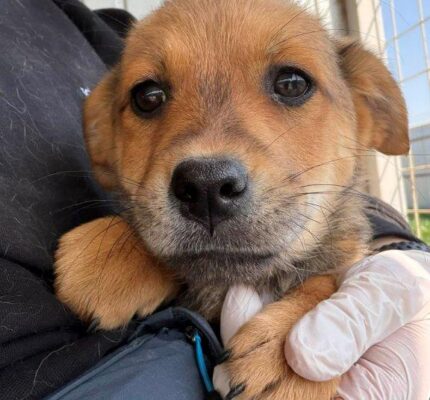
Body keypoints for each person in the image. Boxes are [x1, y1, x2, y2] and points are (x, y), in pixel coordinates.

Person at [0, 1, 428, 399]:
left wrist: (394, 254)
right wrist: (130, 244)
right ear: (104, 138)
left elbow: (348, 225)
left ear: (365, 110)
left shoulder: (93, 27)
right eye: (150, 97)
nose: (208, 166)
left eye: (290, 84)